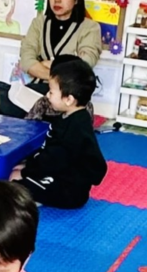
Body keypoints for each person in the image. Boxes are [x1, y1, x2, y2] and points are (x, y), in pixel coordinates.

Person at [0, 0, 103, 117]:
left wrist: (45, 65)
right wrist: (58, 71)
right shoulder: (39, 22)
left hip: (64, 97)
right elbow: (26, 60)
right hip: (34, 90)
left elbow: (82, 66)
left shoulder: (90, 27)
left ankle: (31, 110)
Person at [16, 57, 107, 209]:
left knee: (13, 184)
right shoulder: (71, 117)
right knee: (17, 173)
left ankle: (35, 197)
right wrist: (28, 166)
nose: (47, 95)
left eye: (51, 92)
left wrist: (26, 171)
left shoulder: (75, 129)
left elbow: (51, 160)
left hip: (69, 192)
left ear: (69, 99)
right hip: (61, 178)